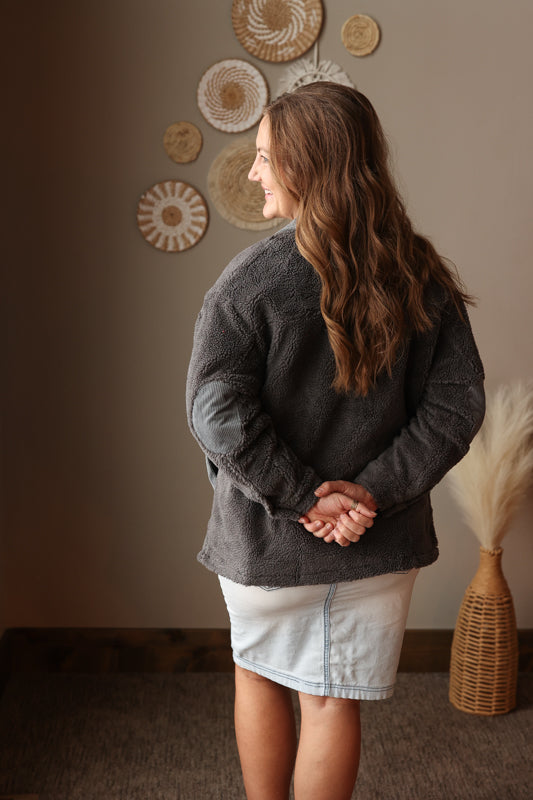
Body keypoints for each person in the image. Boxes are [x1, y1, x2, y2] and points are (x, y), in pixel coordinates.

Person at [186, 82, 485, 800]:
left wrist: (301, 497)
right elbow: (454, 406)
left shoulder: (250, 281)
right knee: (331, 699)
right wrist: (365, 494)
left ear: (304, 165)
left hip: (264, 539)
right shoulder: (422, 274)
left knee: (258, 674)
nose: (254, 173)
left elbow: (214, 411)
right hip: (375, 543)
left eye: (263, 159)